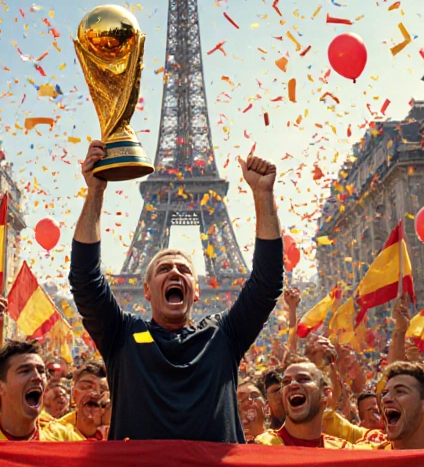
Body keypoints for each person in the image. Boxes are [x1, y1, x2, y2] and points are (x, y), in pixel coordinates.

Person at [69, 141, 284, 442]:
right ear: (146, 290)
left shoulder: (222, 335)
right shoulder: (122, 337)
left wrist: (263, 196)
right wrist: (95, 193)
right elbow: (85, 280)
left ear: (196, 292)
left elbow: (267, 283)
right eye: (163, 269)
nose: (174, 272)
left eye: (184, 270)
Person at [254, 362, 358, 448]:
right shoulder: (263, 447)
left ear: (325, 394)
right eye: (286, 382)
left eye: (303, 379)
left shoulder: (340, 450)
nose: (293, 384)